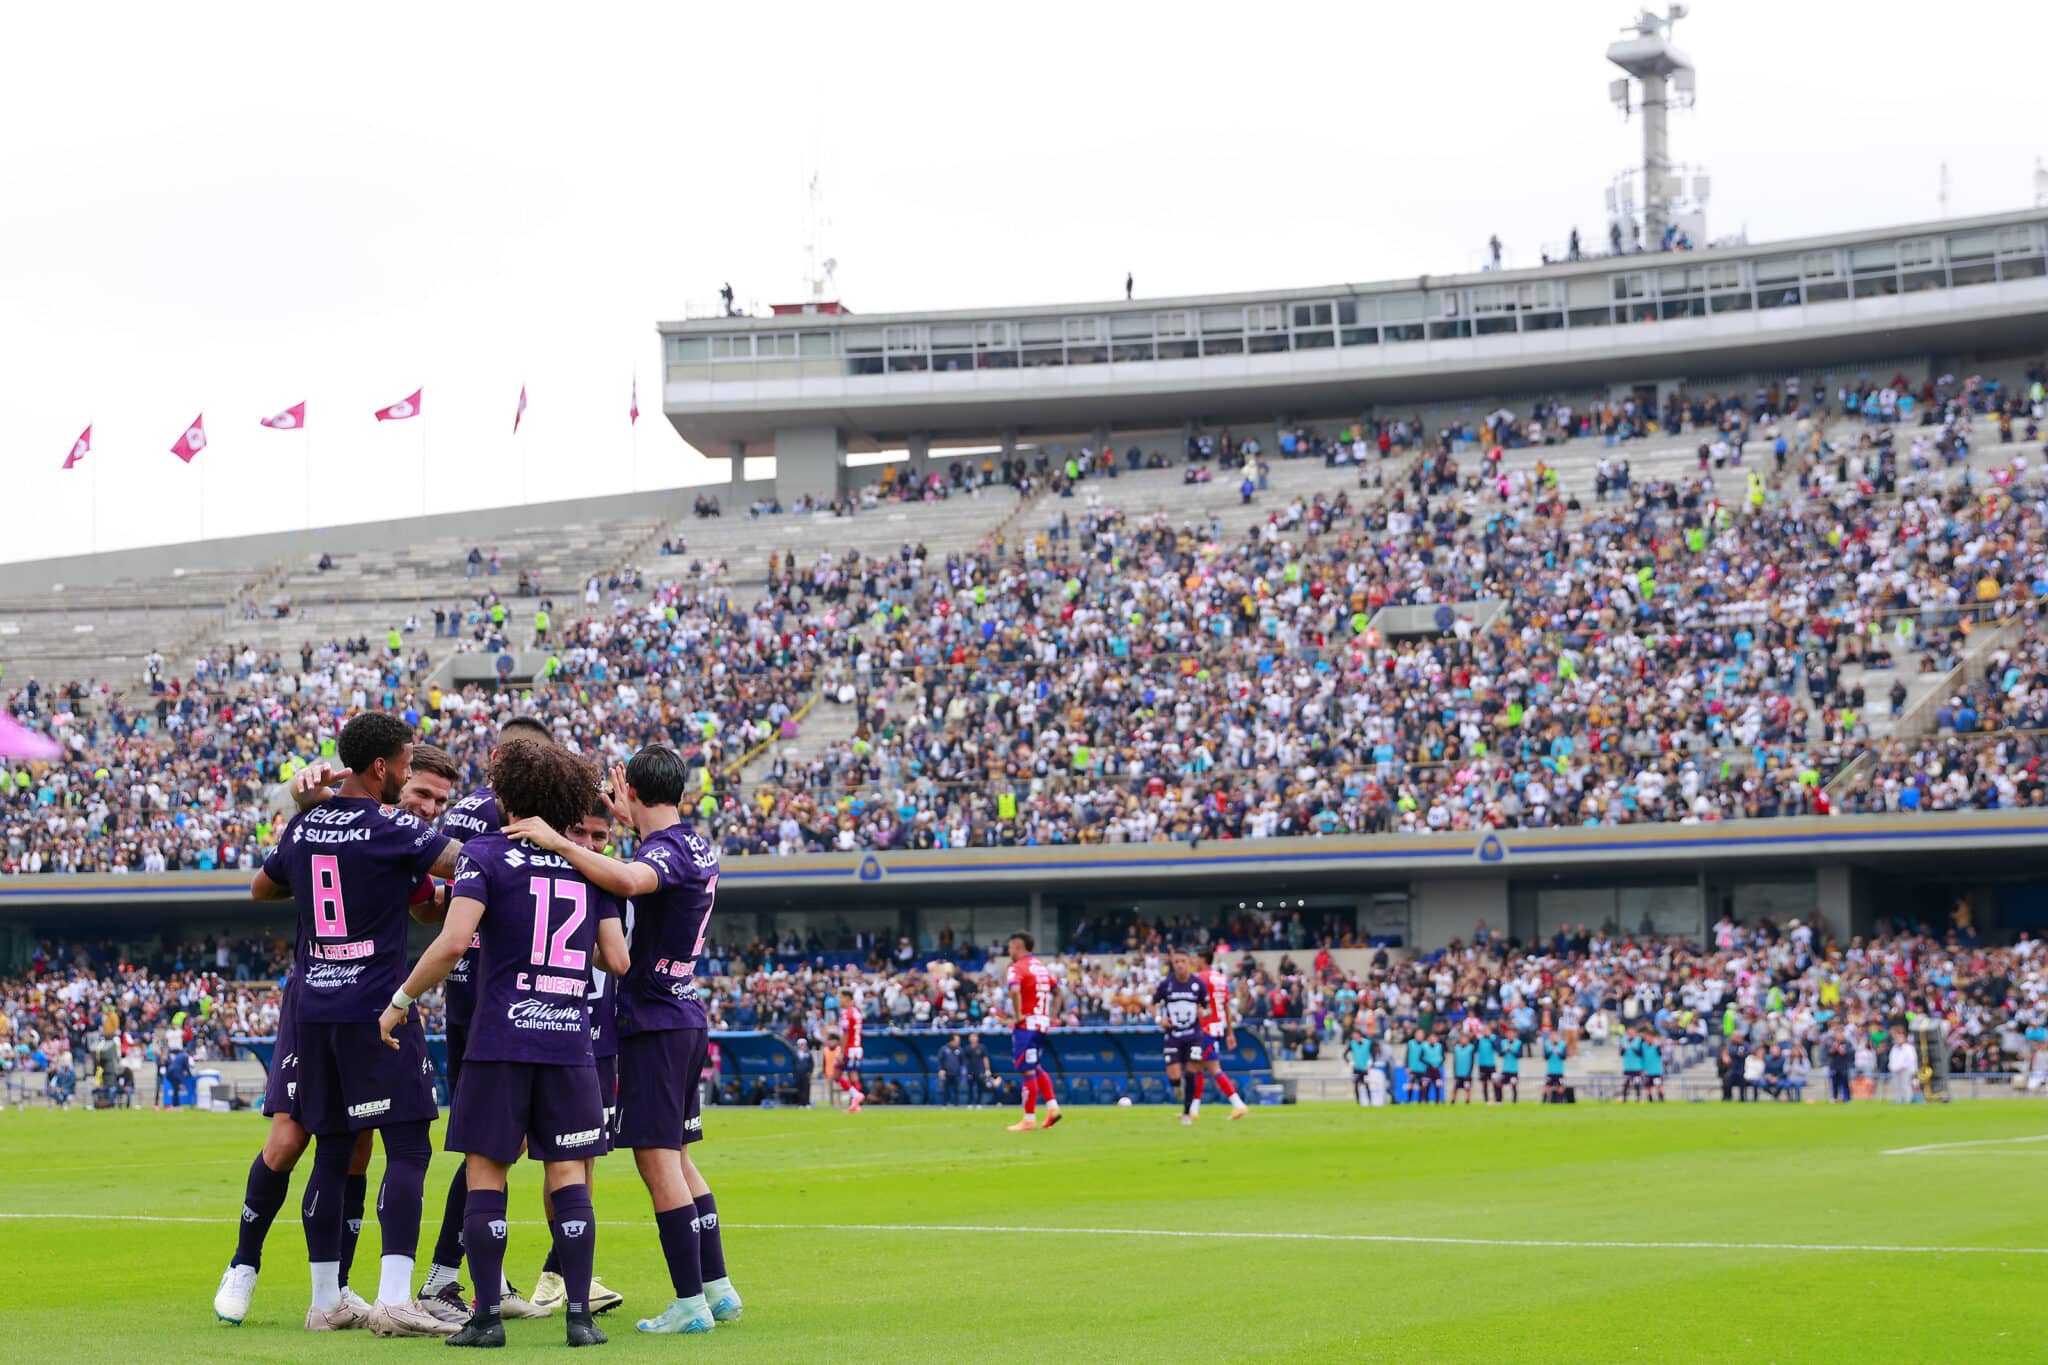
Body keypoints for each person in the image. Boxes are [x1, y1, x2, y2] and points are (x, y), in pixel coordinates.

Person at [379, 738, 629, 1349]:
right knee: (569, 1173)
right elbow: (616, 959)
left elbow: (453, 941)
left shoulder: (485, 854)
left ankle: (486, 1317)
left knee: (487, 1171)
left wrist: (400, 1002)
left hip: (500, 1037)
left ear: (506, 796)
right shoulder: (584, 861)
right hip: (569, 1041)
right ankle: (579, 1317)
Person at [212, 744, 460, 1328]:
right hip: (353, 1004)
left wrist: (304, 812)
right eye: (420, 792)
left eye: (441, 801)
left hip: (323, 999)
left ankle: (330, 1297)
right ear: (390, 775)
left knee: (346, 1147)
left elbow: (424, 906)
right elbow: (455, 870)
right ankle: (246, 1265)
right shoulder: (393, 829)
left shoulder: (340, 831)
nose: (428, 807)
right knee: (293, 1143)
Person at [504, 745, 742, 1335]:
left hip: (654, 1022)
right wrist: (630, 811)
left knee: (657, 1161)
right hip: (684, 1010)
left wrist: (563, 844)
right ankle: (718, 1287)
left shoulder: (659, 854)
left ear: (632, 791)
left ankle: (690, 1304)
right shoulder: (695, 843)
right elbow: (653, 852)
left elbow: (636, 878)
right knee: (683, 1160)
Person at [410, 717, 557, 1324]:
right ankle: (445, 1279)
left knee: (497, 1144)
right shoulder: (502, 818)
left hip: (489, 995)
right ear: (501, 758)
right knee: (490, 1145)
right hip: (494, 997)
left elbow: (428, 904)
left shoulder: (464, 815)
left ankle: (478, 1278)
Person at [531, 798, 632, 1315]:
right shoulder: (540, 877)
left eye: (600, 836)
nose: (590, 845)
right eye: (579, 833)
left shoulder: (615, 883)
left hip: (599, 1043)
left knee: (584, 1161)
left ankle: (565, 1274)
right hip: (547, 1035)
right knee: (555, 1161)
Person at [1003, 933, 1061, 1132]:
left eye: (1010, 948)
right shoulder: (1041, 967)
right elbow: (1058, 991)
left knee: (1026, 1070)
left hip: (1027, 1025)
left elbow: (1014, 990)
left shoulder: (1017, 967)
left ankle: (1029, 1118)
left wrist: (1018, 1015)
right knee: (1035, 1066)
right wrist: (1053, 1014)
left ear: (1018, 946)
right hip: (1042, 1024)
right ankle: (1053, 1107)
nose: (1008, 952)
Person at [1152, 951, 1210, 1126]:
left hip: (1194, 1035)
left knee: (1191, 1072)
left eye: (1183, 961)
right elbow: (1152, 1003)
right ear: (1172, 963)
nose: (1180, 964)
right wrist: (1159, 1019)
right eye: (1176, 961)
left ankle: (1187, 1113)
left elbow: (1208, 1009)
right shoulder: (1166, 984)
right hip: (1173, 1035)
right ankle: (1177, 1086)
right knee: (1174, 1075)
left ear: (1189, 962)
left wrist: (1204, 1013)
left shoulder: (1198, 985)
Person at [1191, 947, 1247, 1119]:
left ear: (1203, 959)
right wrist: (1230, 1032)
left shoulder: (1200, 979)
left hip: (1204, 1028)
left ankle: (1238, 1105)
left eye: (1195, 958)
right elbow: (1225, 1007)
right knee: (1197, 1067)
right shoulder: (1221, 978)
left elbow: (1197, 1005)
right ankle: (1192, 1111)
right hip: (1216, 1027)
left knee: (1213, 1068)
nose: (1193, 961)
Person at [834, 993, 866, 1113]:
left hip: (849, 1048)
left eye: (840, 997)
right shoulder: (857, 1012)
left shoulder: (846, 1013)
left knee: (836, 1075)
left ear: (847, 998)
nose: (839, 1000)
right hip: (857, 1048)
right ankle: (855, 1105)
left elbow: (846, 1033)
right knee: (853, 1076)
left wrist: (841, 1051)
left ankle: (856, 1095)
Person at [1887, 1028, 1918, 1104]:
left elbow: (1911, 1060)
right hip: (1895, 1070)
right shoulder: (1894, 1048)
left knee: (1905, 1085)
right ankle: (1899, 1099)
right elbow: (1891, 1059)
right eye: (1897, 1038)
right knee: (1897, 1086)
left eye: (1900, 1038)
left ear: (1904, 1038)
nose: (1898, 1039)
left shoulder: (1908, 1048)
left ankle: (1908, 1099)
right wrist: (1891, 1066)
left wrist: (1901, 1066)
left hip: (1905, 1070)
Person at [1494, 1024, 1521, 1104]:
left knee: (1513, 1083)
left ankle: (1514, 1101)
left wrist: (1511, 1050)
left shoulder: (1518, 1043)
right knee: (1497, 1082)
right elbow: (1500, 1054)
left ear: (1515, 1034)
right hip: (1505, 1069)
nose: (1510, 1035)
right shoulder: (1503, 1042)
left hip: (1514, 1070)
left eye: (1512, 1033)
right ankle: (1499, 1100)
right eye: (1508, 1033)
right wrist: (1505, 1050)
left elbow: (1519, 1055)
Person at [936, 1034, 965, 1107]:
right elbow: (940, 1060)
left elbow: (963, 1061)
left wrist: (963, 1069)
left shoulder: (960, 1049)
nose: (958, 1042)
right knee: (945, 1090)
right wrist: (941, 1069)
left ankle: (956, 1105)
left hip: (956, 1073)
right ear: (952, 1041)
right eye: (957, 1041)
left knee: (957, 1090)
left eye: (959, 1041)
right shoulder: (944, 1049)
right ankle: (945, 1104)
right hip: (946, 1073)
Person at [1348, 1031, 1375, 1106]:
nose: (1354, 1036)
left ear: (1359, 1035)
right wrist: (1349, 1062)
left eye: (1355, 1034)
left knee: (1367, 1084)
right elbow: (1345, 1054)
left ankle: (1370, 1101)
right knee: (1356, 1084)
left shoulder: (1368, 1043)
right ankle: (1358, 1102)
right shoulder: (1352, 1043)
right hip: (1356, 1068)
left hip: (1365, 1068)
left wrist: (1370, 1063)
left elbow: (1373, 1055)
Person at [1541, 1029, 1568, 1103]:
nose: (1554, 1037)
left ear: (1558, 1036)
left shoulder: (1563, 1044)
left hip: (1559, 1070)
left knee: (1560, 1087)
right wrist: (1551, 1051)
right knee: (1547, 1087)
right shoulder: (1547, 1045)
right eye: (1552, 1036)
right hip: (1550, 1070)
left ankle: (1560, 1101)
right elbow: (1546, 1057)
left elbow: (1564, 1057)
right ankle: (1543, 1102)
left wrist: (1559, 1053)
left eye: (1555, 1035)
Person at [1450, 1032, 1476, 1104]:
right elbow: (1454, 1061)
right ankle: (1453, 1100)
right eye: (1462, 1039)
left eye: (1465, 1039)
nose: (1464, 1040)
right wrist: (1454, 1072)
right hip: (1459, 1072)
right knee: (1456, 1087)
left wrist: (1470, 1072)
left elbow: (1472, 1061)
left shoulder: (1471, 1047)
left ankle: (1468, 1100)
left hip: (1467, 1072)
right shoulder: (1457, 1048)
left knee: (1467, 1087)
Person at [1619, 1027, 1644, 1101]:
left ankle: (1638, 1098)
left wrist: (1632, 1047)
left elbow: (1640, 1053)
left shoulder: (1639, 1040)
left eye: (1632, 1032)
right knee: (1626, 1083)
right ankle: (1624, 1098)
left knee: (1637, 1083)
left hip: (1637, 1067)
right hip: (1627, 1066)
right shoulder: (1623, 1040)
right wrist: (1623, 1049)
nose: (1630, 1034)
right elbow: (1621, 1054)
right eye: (1629, 1032)